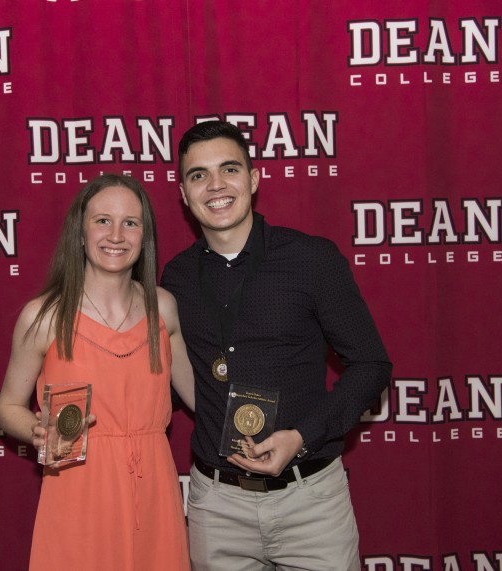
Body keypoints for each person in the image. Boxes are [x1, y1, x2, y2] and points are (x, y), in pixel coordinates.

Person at [161, 121, 392, 571]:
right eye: (198, 175)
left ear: (253, 178)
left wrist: (302, 437)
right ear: (185, 196)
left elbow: (371, 365)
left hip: (311, 504)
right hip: (217, 507)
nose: (215, 186)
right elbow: (170, 378)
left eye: (229, 169)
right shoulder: (176, 279)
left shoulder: (312, 260)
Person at [0, 173, 193, 571]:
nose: (116, 235)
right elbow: (8, 407)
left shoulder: (164, 308)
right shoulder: (44, 316)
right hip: (78, 489)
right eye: (103, 220)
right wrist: (37, 431)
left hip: (153, 492)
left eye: (131, 223)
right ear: (80, 232)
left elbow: (201, 398)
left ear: (144, 236)